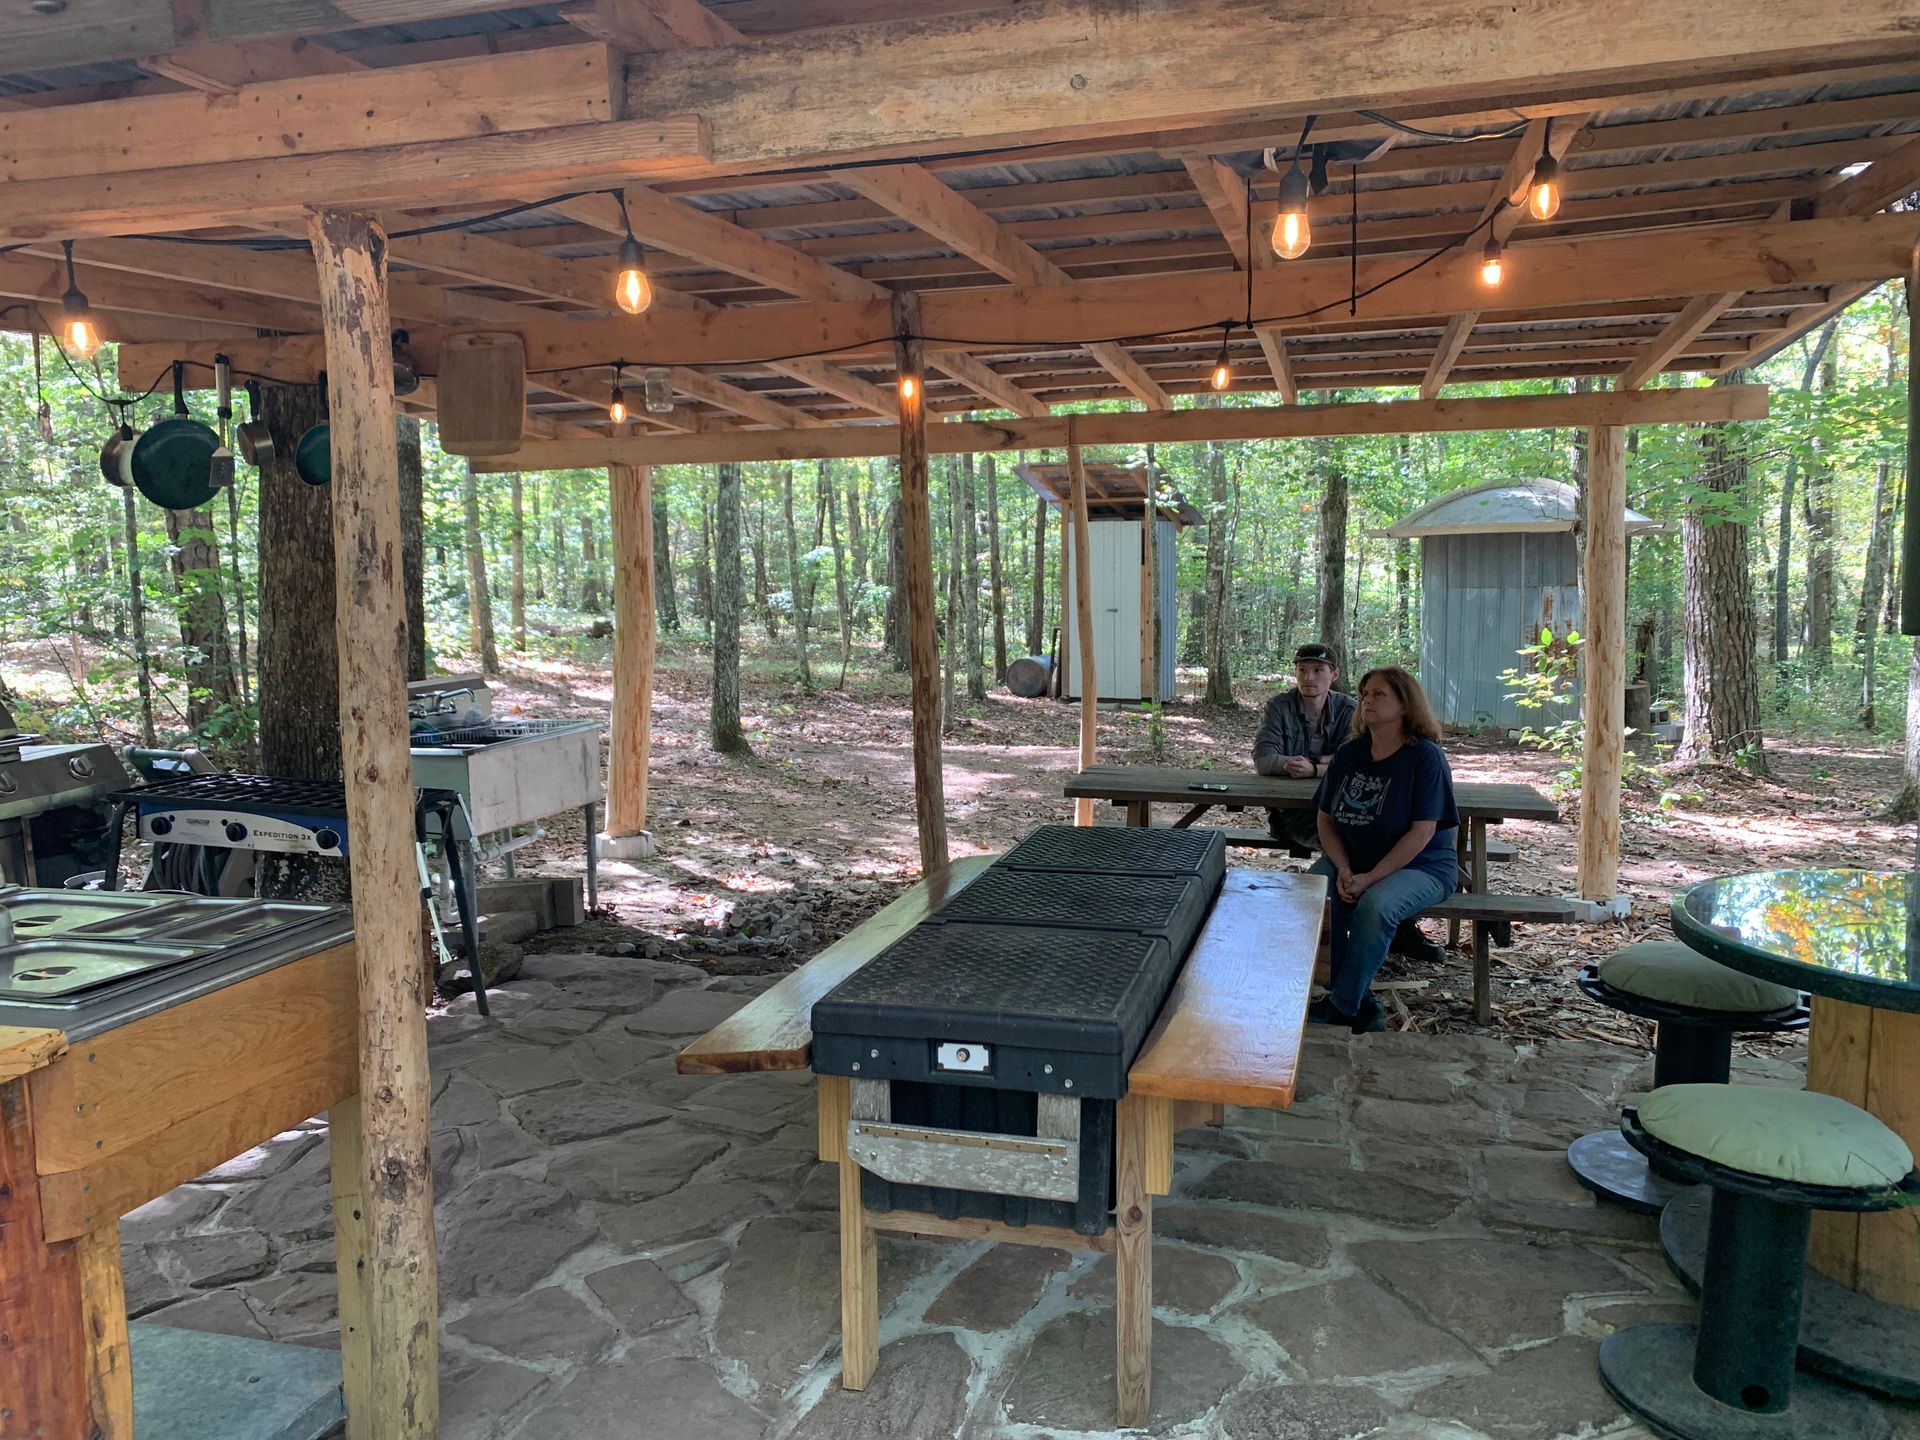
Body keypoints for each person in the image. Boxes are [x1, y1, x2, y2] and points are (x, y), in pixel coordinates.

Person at [1307, 666, 1459, 1034]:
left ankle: (1343, 1005)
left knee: (1376, 905)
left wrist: (1371, 878)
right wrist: (1343, 869)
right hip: (1354, 861)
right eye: (1364, 695)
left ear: (1405, 705)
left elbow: (1422, 832)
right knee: (1313, 894)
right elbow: (1325, 819)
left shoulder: (1424, 757)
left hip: (1422, 866)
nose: (1367, 701)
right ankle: (1357, 998)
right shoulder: (1349, 754)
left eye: (1379, 695)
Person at [1252, 642, 1356, 852]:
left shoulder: (1349, 709)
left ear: (1334, 674)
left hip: (1341, 808)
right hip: (1290, 812)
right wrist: (1302, 765)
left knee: (1361, 838)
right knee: (1341, 845)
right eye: (1303, 670)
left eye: (1318, 671)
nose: (1309, 678)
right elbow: (1263, 759)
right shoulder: (1279, 706)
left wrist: (1314, 767)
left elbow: (1353, 763)